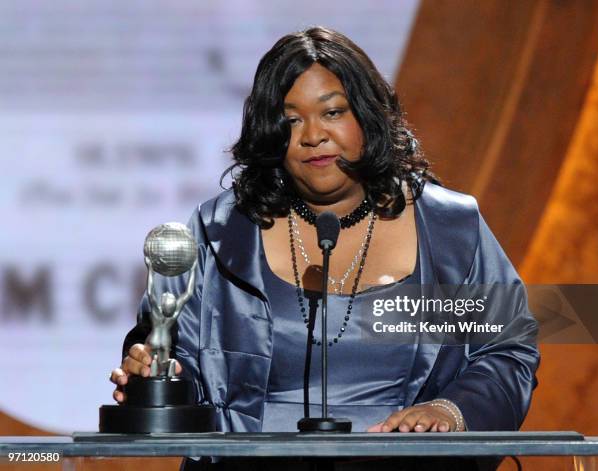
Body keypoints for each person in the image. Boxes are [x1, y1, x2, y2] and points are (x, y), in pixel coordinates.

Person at [110, 26, 539, 469]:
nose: (313, 135)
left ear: (367, 117)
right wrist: (158, 376)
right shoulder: (222, 232)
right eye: (291, 120)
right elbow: (180, 362)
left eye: (332, 113)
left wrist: (450, 412)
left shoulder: (449, 231)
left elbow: (508, 350)